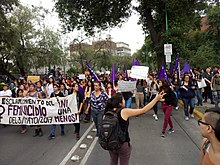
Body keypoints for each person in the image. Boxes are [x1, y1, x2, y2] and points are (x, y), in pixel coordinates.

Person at [105, 91, 165, 165]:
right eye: (123, 100)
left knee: (113, 162)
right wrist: (156, 99)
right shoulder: (124, 111)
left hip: (111, 143)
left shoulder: (108, 111)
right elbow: (143, 110)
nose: (124, 101)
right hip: (122, 144)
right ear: (120, 103)